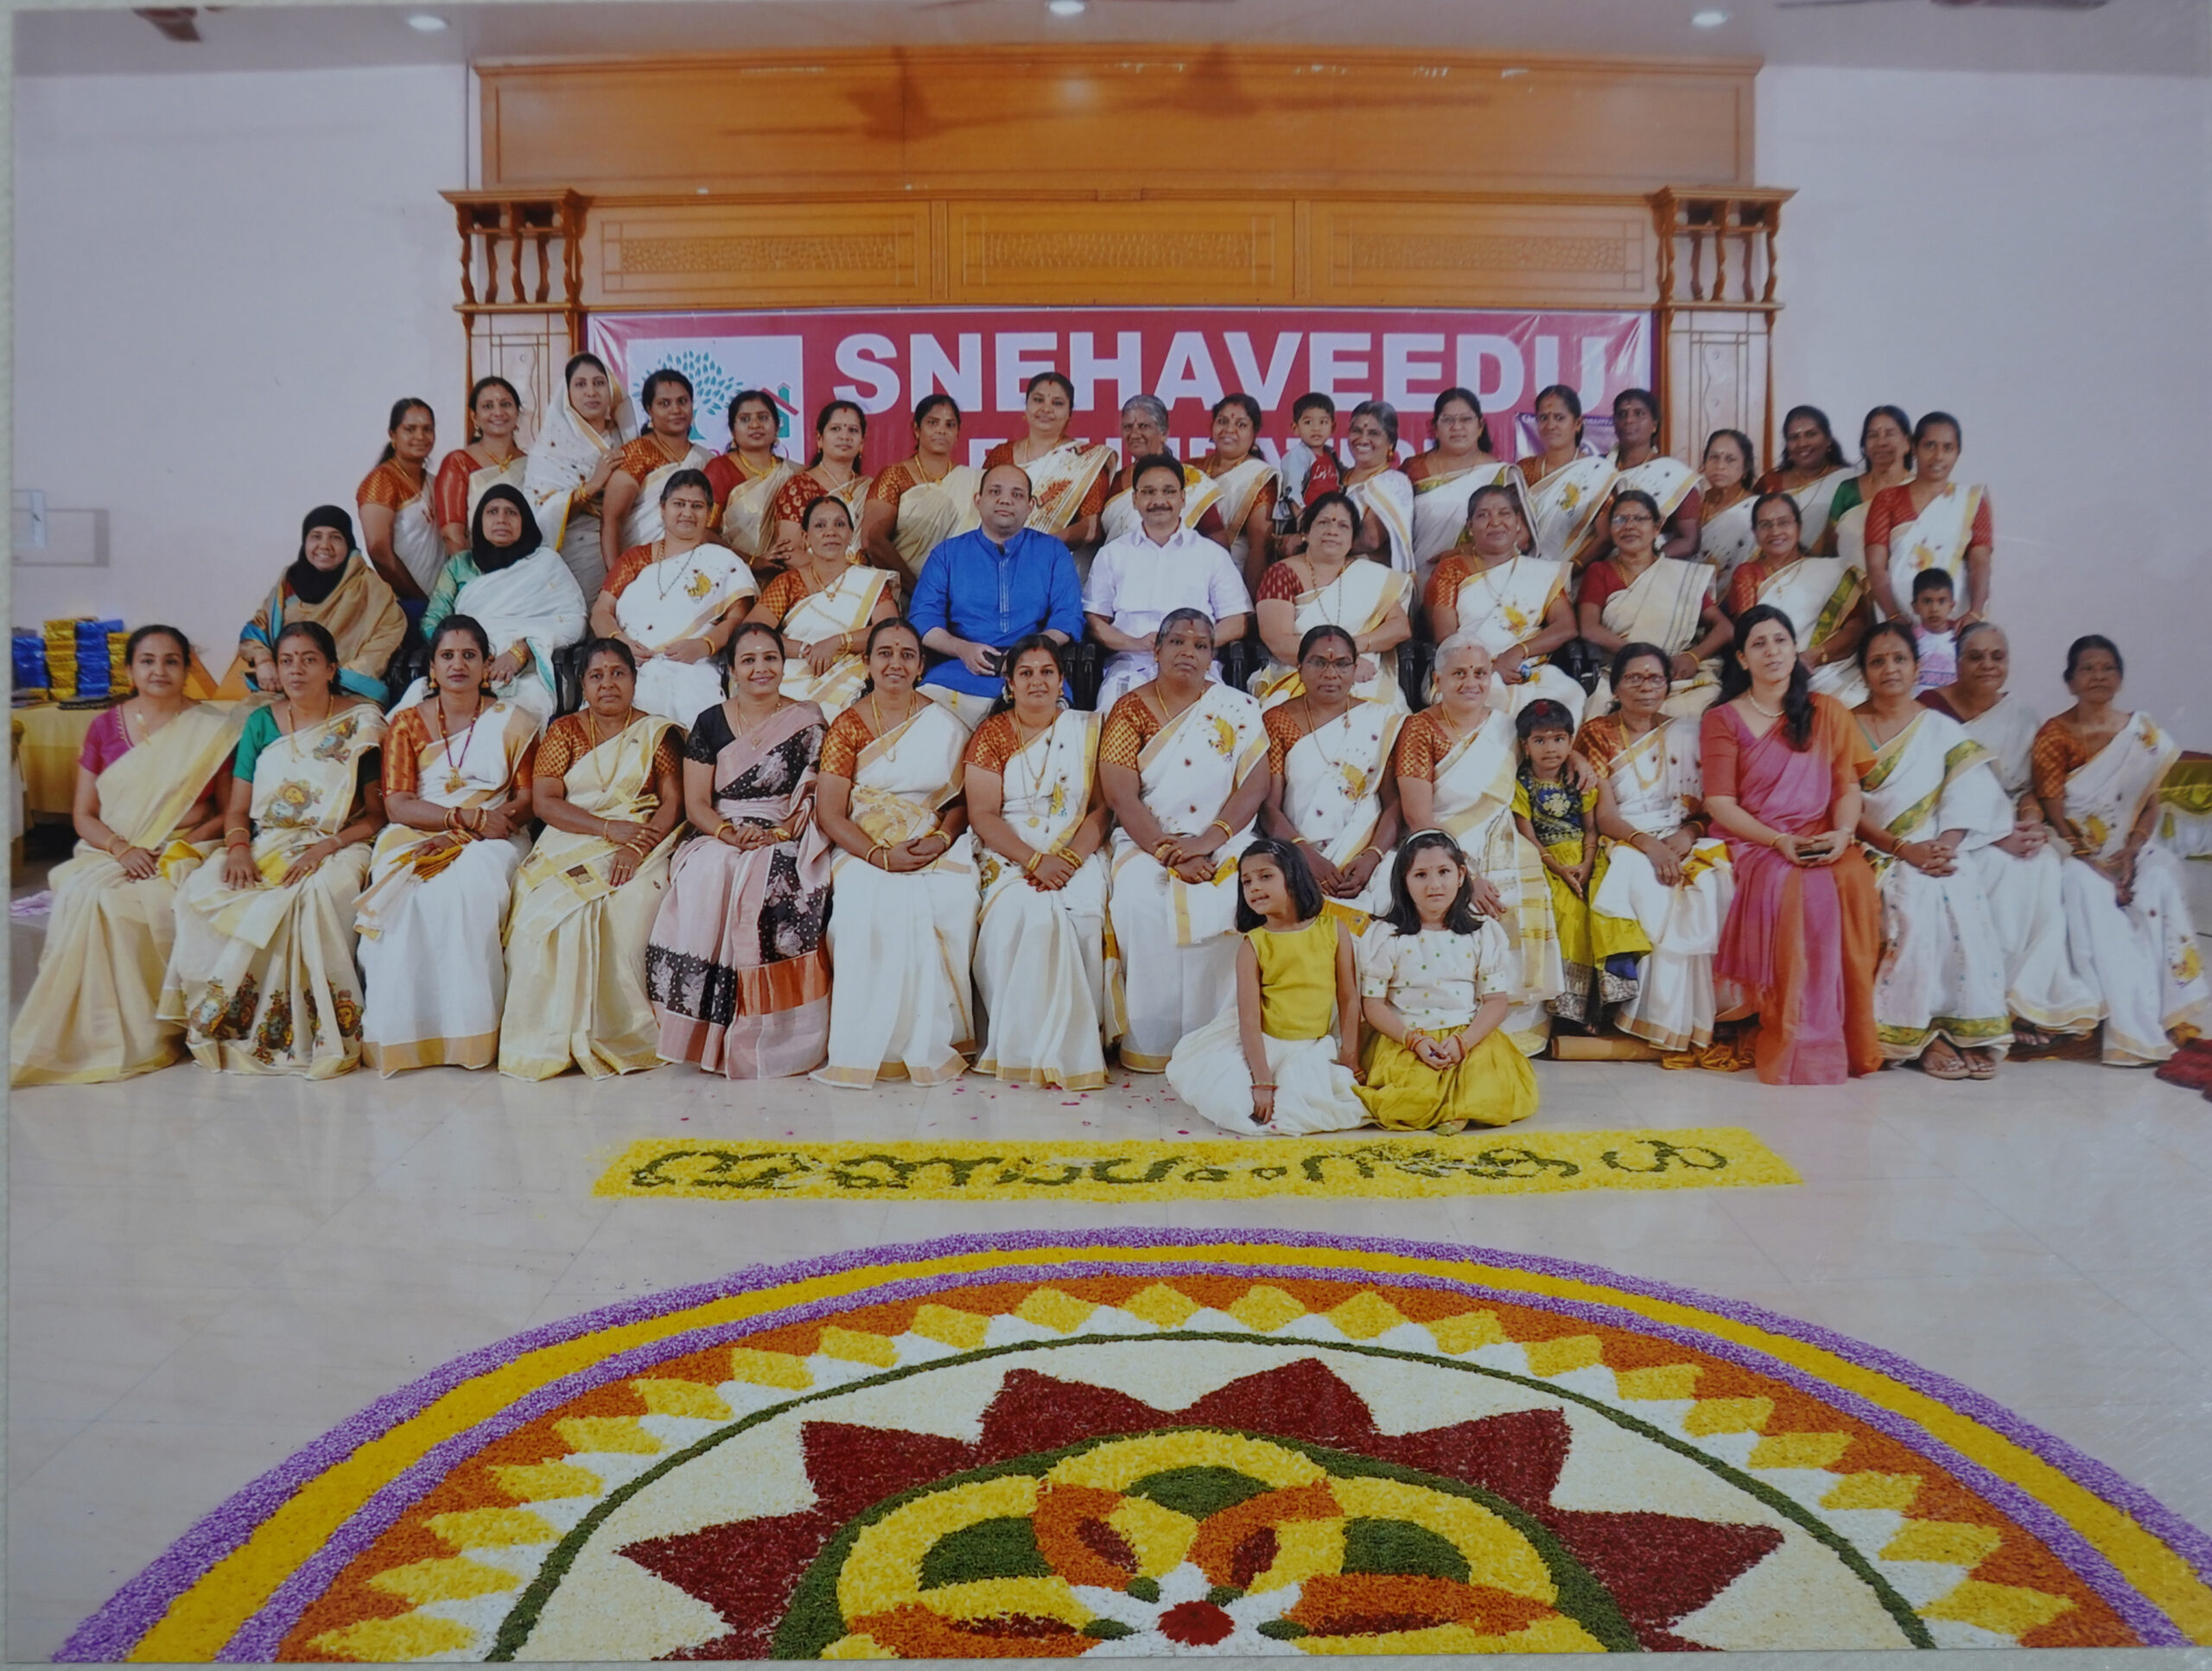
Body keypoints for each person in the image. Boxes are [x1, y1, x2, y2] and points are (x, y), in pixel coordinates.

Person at [10, 626, 241, 1086]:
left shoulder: (214, 730)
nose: (159, 670)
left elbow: (226, 812)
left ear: (186, 669)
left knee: (140, 904)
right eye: (148, 661)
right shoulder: (104, 726)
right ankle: (97, 1033)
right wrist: (123, 849)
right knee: (89, 897)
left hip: (187, 848)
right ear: (130, 669)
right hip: (113, 848)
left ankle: (158, 1028)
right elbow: (84, 814)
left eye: (172, 661)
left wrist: (175, 848)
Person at [161, 623, 385, 1078]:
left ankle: (312, 1030)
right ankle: (232, 1022)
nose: (296, 670)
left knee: (317, 895)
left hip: (341, 841)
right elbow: (237, 809)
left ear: (332, 668)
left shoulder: (362, 723)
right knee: (201, 892)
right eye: (286, 661)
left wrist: (325, 848)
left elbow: (376, 816)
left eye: (309, 659)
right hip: (267, 841)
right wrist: (238, 849)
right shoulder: (260, 723)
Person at [1700, 603, 1882, 1085]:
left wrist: (1842, 835)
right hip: (1755, 839)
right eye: (1759, 644)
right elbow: (1720, 804)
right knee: (1800, 887)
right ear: (1742, 659)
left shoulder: (1828, 712)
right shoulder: (1722, 719)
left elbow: (1847, 788)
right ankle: (1800, 1038)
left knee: (1853, 878)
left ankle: (1851, 1038)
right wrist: (1778, 840)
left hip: (1823, 833)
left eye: (1780, 640)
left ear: (1794, 648)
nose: (1772, 651)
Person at [353, 616, 541, 1073]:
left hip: (494, 834)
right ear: (432, 668)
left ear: (486, 665)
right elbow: (397, 804)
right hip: (417, 832)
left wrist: (481, 825)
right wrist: (461, 819)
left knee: (469, 889)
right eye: (448, 656)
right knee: (405, 900)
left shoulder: (516, 721)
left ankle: (470, 1032)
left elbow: (527, 799)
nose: (459, 664)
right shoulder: (405, 724)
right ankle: (404, 1034)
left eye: (469, 655)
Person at [645, 623, 831, 1079]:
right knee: (713, 870)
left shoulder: (808, 719)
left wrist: (782, 830)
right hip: (719, 827)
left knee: (777, 876)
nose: (760, 668)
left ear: (783, 665)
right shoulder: (711, 721)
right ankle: (703, 1030)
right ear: (731, 669)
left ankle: (771, 1036)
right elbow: (696, 804)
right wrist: (728, 833)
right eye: (748, 660)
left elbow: (813, 792)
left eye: (770, 658)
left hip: (786, 828)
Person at [499, 639, 683, 1081]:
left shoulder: (657, 733)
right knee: (538, 909)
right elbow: (545, 802)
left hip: (643, 838)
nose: (608, 684)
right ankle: (546, 1040)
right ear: (582, 684)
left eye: (618, 673)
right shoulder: (564, 731)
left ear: (634, 680)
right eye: (596, 676)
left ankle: (623, 1034)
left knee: (628, 904)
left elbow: (673, 803)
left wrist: (636, 847)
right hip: (573, 833)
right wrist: (605, 829)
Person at [809, 618, 979, 1086]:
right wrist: (879, 856)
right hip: (863, 845)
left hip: (932, 840)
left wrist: (941, 840)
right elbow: (831, 813)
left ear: (922, 666)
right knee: (861, 908)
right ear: (867, 663)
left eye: (907, 655)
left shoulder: (946, 724)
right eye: (885, 653)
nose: (895, 664)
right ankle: (870, 1044)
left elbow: (962, 803)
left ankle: (939, 1037)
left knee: (952, 898)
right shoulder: (847, 726)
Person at [1099, 610, 1271, 1071]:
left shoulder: (1238, 707)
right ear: (1156, 650)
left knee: (1240, 898)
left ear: (1212, 656)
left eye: (1200, 645)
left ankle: (1220, 1042)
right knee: (1138, 901)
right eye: (1177, 642)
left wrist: (1209, 840)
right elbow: (1119, 794)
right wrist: (1169, 852)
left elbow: (1255, 785)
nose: (1188, 653)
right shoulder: (1129, 709)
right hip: (1146, 838)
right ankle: (1152, 1041)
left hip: (1225, 837)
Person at [1920, 622, 2098, 1049]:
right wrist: (1996, 834)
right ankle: (1986, 1002)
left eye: (1997, 656)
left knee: (2043, 863)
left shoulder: (2021, 716)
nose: (1988, 665)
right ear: (1957, 662)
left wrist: (2031, 822)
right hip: (1953, 828)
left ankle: (2025, 1000)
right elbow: (1931, 792)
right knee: (1997, 869)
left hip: (2008, 823)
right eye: (1976, 656)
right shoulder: (1929, 712)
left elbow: (2026, 789)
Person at [2033, 634, 2209, 1065]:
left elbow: (2150, 805)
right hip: (2075, 852)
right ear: (2070, 681)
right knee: (2088, 893)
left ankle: (2172, 1014)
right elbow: (2055, 814)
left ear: (2121, 678)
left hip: (2129, 849)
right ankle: (2129, 1026)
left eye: (2108, 668)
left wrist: (2130, 852)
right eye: (2088, 669)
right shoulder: (2054, 736)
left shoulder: (2142, 733)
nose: (2098, 676)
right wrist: (2095, 865)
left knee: (2161, 876)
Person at [1852, 621, 2015, 1079]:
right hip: (1873, 848)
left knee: (1958, 886)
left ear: (1917, 667)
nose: (1890, 669)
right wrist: (1906, 850)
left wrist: (1943, 848)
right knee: (1913, 898)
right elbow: (1840, 807)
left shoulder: (1939, 728)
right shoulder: (1845, 726)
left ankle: (1963, 1029)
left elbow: (1968, 793)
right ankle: (1920, 1035)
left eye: (1900, 659)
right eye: (1878, 661)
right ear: (1863, 672)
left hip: (1933, 847)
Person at [1392, 634, 1563, 1056]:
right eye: (1459, 673)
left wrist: (1574, 758)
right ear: (1438, 680)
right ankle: (1456, 1019)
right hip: (1437, 843)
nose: (1471, 682)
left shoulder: (1506, 726)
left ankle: (1516, 1028)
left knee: (1520, 878)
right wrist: (1468, 876)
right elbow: (1418, 817)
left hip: (1500, 834)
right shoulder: (1419, 728)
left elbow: (1547, 749)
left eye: (1481, 673)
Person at [964, 636, 1113, 1090]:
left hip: (1075, 848)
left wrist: (1067, 859)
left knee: (1084, 914)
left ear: (1061, 680)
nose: (1037, 681)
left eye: (1047, 671)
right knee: (1015, 914)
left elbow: (1102, 810)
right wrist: (1034, 861)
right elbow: (982, 814)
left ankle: (1083, 1042)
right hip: (1008, 848)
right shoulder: (991, 734)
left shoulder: (1086, 731)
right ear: (1010, 684)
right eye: (1025, 673)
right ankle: (1018, 1043)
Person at [1582, 643, 1735, 1058]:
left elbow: (1706, 809)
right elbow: (1605, 815)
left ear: (1668, 685)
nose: (1645, 686)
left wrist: (1687, 835)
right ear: (1616, 687)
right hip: (1626, 839)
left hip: (1680, 834)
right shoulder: (1596, 733)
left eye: (1655, 678)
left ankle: (1705, 1015)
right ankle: (1656, 1016)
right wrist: (1650, 847)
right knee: (1653, 884)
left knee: (1717, 878)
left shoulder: (1687, 732)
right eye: (1634, 677)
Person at [1166, 839, 1365, 1136]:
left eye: (1265, 876)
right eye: (1247, 881)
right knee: (1233, 1101)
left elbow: (1348, 998)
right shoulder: (1254, 944)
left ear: (1293, 877)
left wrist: (1350, 1056)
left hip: (1309, 1048)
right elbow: (1249, 1019)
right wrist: (1262, 1080)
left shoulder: (1334, 930)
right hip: (1265, 1043)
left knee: (1311, 1107)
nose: (1255, 887)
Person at [1354, 831, 1540, 1131]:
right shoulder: (1387, 937)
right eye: (1421, 875)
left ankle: (1459, 1106)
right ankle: (1447, 1106)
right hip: (1409, 1038)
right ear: (1403, 880)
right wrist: (1414, 1041)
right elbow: (1373, 1005)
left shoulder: (1482, 933)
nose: (1434, 885)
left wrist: (1463, 1043)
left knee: (1490, 1087)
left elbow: (1495, 1001)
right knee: (1412, 1099)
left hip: (1467, 1037)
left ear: (1461, 875)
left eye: (1444, 872)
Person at [909, 461, 1084, 726]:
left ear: (1031, 505)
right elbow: (923, 619)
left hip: (1033, 676)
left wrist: (1024, 655)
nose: (1005, 500)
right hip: (958, 674)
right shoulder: (947, 554)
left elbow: (1068, 618)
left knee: (1055, 739)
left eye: (1017, 494)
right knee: (930, 732)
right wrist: (962, 648)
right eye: (995, 491)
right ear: (978, 500)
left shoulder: (1053, 552)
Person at [1514, 699, 1648, 1026]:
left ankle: (1606, 1003)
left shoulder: (1579, 779)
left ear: (1571, 742)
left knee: (1606, 906)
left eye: (1559, 739)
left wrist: (1587, 863)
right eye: (1540, 740)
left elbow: (1591, 828)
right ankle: (1569, 1011)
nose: (1550, 748)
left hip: (1587, 855)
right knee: (1567, 911)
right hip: (1547, 860)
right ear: (1525, 746)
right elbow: (1528, 837)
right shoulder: (1521, 784)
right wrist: (1560, 869)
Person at [592, 468, 759, 725]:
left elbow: (738, 619)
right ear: (662, 508)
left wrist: (705, 645)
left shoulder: (724, 561)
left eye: (697, 506)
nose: (687, 513)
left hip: (693, 666)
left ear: (709, 513)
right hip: (628, 662)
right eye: (679, 504)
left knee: (693, 709)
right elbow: (601, 611)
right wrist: (620, 642)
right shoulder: (635, 559)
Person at [1084, 453, 1252, 707]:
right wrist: (1135, 643)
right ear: (1135, 499)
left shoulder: (1212, 555)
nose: (1159, 500)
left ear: (1183, 498)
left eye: (1169, 491)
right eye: (1149, 492)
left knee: (1222, 719)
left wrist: (1188, 644)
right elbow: (1095, 621)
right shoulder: (1112, 554)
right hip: (1132, 667)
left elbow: (1237, 622)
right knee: (1114, 711)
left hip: (1197, 668)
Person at [410, 485, 588, 721]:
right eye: (492, 512)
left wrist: (521, 650)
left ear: (525, 521)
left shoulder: (546, 565)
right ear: (480, 521)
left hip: (524, 671)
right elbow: (433, 621)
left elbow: (573, 621)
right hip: (460, 667)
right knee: (416, 706)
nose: (501, 519)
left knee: (517, 713)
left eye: (511, 512)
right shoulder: (460, 565)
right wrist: (462, 655)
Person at [1260, 626, 1403, 917]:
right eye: (1319, 663)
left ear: (1355, 668)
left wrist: (1372, 857)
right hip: (1296, 851)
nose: (1331, 673)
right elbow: (1268, 807)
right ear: (1299, 668)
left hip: (1366, 853)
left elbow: (1394, 803)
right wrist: (1304, 855)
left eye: (1341, 664)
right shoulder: (1277, 720)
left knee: (1390, 894)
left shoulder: (1381, 719)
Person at [1424, 483, 1584, 725]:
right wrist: (1486, 668)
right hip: (1468, 671)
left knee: (1569, 695)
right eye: (1483, 515)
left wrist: (1517, 652)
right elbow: (1445, 636)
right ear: (1470, 527)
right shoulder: (1451, 569)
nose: (1495, 522)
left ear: (1518, 521)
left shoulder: (1542, 573)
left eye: (1504, 513)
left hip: (1527, 668)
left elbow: (1565, 626)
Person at [1250, 492, 1413, 711]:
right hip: (1299, 671)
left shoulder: (1369, 576)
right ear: (1306, 532)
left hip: (1364, 673)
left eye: (1343, 526)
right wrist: (1336, 662)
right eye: (1323, 522)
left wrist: (1353, 650)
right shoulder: (1282, 573)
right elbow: (1278, 640)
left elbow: (1400, 627)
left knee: (1385, 715)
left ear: (1353, 538)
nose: (1332, 531)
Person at [1578, 489, 1731, 716]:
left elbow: (1725, 628)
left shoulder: (1681, 576)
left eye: (1639, 519)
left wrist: (1693, 656)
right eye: (1620, 519)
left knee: (1703, 703)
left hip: (1677, 675)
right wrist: (1641, 657)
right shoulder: (1599, 571)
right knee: (1601, 703)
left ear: (1657, 528)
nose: (1629, 526)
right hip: (1622, 673)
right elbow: (1589, 628)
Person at [238, 505, 406, 703]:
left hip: (346, 691)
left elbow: (387, 636)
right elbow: (257, 630)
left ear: (348, 543)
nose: (325, 545)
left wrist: (328, 678)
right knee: (249, 718)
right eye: (316, 537)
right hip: (287, 690)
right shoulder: (289, 583)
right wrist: (264, 661)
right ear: (305, 542)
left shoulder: (370, 587)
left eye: (335, 537)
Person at [751, 495, 897, 720]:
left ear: (851, 534)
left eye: (839, 524)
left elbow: (890, 633)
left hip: (853, 675)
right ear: (806, 537)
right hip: (793, 671)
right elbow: (752, 634)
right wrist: (805, 650)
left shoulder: (871, 581)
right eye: (820, 525)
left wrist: (838, 642)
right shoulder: (789, 582)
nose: (831, 532)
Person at [1722, 492, 1869, 707]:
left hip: (1829, 669)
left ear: (1799, 527)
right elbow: (1749, 634)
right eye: (1765, 525)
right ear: (1755, 532)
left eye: (1783, 522)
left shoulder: (1831, 571)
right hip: (1771, 671)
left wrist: (1814, 656)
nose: (1775, 531)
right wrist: (1786, 663)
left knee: (1853, 702)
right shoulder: (1748, 574)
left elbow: (1856, 627)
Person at [522, 351, 638, 600]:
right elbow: (540, 513)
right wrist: (593, 485)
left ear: (611, 389)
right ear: (567, 393)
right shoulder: (549, 450)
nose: (591, 392)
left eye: (599, 383)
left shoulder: (626, 438)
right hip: (574, 550)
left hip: (628, 541)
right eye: (581, 384)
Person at [1865, 411, 1992, 625]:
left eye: (1948, 448)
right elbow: (1875, 565)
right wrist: (1893, 615)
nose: (1938, 456)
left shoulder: (1972, 500)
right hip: (1899, 623)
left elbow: (1980, 562)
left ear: (1958, 452)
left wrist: (1975, 613)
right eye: (1930, 446)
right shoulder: (1887, 500)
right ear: (1914, 448)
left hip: (1956, 623)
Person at [980, 371, 1113, 546]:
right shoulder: (1001, 455)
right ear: (1026, 407)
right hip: (998, 553)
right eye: (1038, 400)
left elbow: (1091, 528)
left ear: (1069, 413)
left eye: (1057, 403)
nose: (1046, 409)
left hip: (1057, 555)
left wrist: (1042, 545)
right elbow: (981, 510)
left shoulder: (1087, 460)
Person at [601, 369, 715, 571]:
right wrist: (617, 577)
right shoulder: (637, 453)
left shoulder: (706, 459)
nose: (676, 410)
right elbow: (612, 520)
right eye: (664, 403)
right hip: (643, 568)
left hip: (697, 568)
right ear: (649, 409)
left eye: (682, 401)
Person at [1404, 387, 1516, 590]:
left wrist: (1460, 552)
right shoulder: (1414, 469)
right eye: (1447, 420)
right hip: (1420, 578)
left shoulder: (1501, 474)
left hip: (1482, 580)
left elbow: (1521, 535)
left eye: (1466, 419)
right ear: (1435, 428)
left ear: (1480, 426)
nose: (1457, 427)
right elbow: (1396, 530)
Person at [862, 393, 980, 587]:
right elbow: (873, 541)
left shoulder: (974, 481)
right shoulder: (894, 476)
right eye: (933, 423)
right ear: (917, 430)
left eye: (950, 425)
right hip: (904, 592)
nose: (941, 430)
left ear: (957, 434)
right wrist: (917, 590)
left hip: (959, 591)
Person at [1097, 394, 1223, 546]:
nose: (1134, 434)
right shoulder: (1113, 481)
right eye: (1128, 427)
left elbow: (1218, 543)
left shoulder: (1191, 480)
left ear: (1164, 433)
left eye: (1144, 426)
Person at [357, 397, 444, 606]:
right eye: (410, 429)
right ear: (393, 435)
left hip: (439, 600)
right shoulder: (382, 480)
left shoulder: (435, 482)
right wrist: (419, 601)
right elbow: (379, 551)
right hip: (401, 603)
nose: (420, 436)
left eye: (427, 429)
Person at [1517, 384, 1616, 566]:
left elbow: (1606, 537)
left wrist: (1571, 569)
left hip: (1577, 574)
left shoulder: (1596, 473)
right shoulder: (1523, 470)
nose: (1550, 425)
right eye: (1543, 418)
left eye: (1559, 418)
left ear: (1577, 424)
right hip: (1528, 571)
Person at [1599, 388, 1701, 561]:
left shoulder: (1674, 475)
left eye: (1639, 414)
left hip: (1652, 567)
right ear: (1614, 423)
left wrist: (1645, 561)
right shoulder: (1598, 470)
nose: (1629, 420)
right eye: (1622, 414)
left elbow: (1689, 541)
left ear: (1654, 424)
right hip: (1598, 566)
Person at [768, 399, 874, 566]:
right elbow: (789, 552)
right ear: (819, 439)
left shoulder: (871, 488)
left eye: (853, 430)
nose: (844, 436)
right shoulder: (799, 487)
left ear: (861, 443)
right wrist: (838, 574)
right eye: (835, 429)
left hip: (865, 580)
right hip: (813, 579)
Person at [704, 388, 800, 572]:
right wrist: (751, 562)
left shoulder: (795, 473)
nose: (755, 425)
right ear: (732, 431)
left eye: (763, 418)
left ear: (777, 426)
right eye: (745, 419)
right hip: (733, 575)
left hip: (788, 574)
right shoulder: (720, 470)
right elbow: (704, 533)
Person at [434, 376, 529, 556]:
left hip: (528, 565)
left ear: (517, 412)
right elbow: (452, 535)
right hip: (476, 566)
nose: (498, 412)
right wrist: (470, 571)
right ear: (474, 417)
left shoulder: (532, 465)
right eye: (488, 406)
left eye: (506, 404)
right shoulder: (458, 463)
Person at [1198, 393, 1281, 591]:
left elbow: (1259, 547)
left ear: (1254, 433)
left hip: (1230, 578)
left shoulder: (1259, 477)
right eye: (1222, 421)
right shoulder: (1191, 469)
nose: (1229, 429)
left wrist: (1249, 599)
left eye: (1241, 425)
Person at [1754, 404, 1853, 556]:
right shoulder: (1769, 482)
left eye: (1811, 434)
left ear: (1828, 440)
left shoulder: (1850, 481)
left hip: (1831, 566)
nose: (1802, 444)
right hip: (1776, 566)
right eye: (1794, 437)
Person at [1828, 404, 1915, 574]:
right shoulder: (1847, 490)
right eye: (1873, 435)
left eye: (1889, 434)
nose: (1881, 442)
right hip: (1854, 586)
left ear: (1907, 443)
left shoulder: (1920, 489)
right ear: (1864, 447)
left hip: (1909, 586)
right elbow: (1830, 549)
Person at [1340, 400, 1415, 573]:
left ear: (1390, 443)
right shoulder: (1337, 476)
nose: (1363, 439)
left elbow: (1370, 539)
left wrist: (1308, 542)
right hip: (1324, 575)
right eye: (1356, 431)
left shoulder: (1393, 483)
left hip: (1369, 578)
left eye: (1374, 433)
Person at [1694, 429, 1760, 588]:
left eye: (1730, 459)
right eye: (1714, 457)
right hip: (1688, 593)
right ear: (1704, 463)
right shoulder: (1694, 502)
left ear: (1746, 468)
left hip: (1738, 595)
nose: (1720, 466)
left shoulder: (1756, 510)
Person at [1275, 392, 1343, 533]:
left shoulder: (1331, 455)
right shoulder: (1297, 456)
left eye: (1323, 422)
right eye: (1308, 422)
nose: (1316, 428)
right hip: (1304, 521)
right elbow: (1291, 491)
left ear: (1333, 427)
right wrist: (1301, 518)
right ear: (1295, 428)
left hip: (1330, 519)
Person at [1909, 570, 1958, 693]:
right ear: (1915, 606)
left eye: (1942, 601)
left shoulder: (1960, 639)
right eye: (1927, 601)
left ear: (1951, 606)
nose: (1934, 609)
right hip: (1918, 702)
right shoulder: (1909, 640)